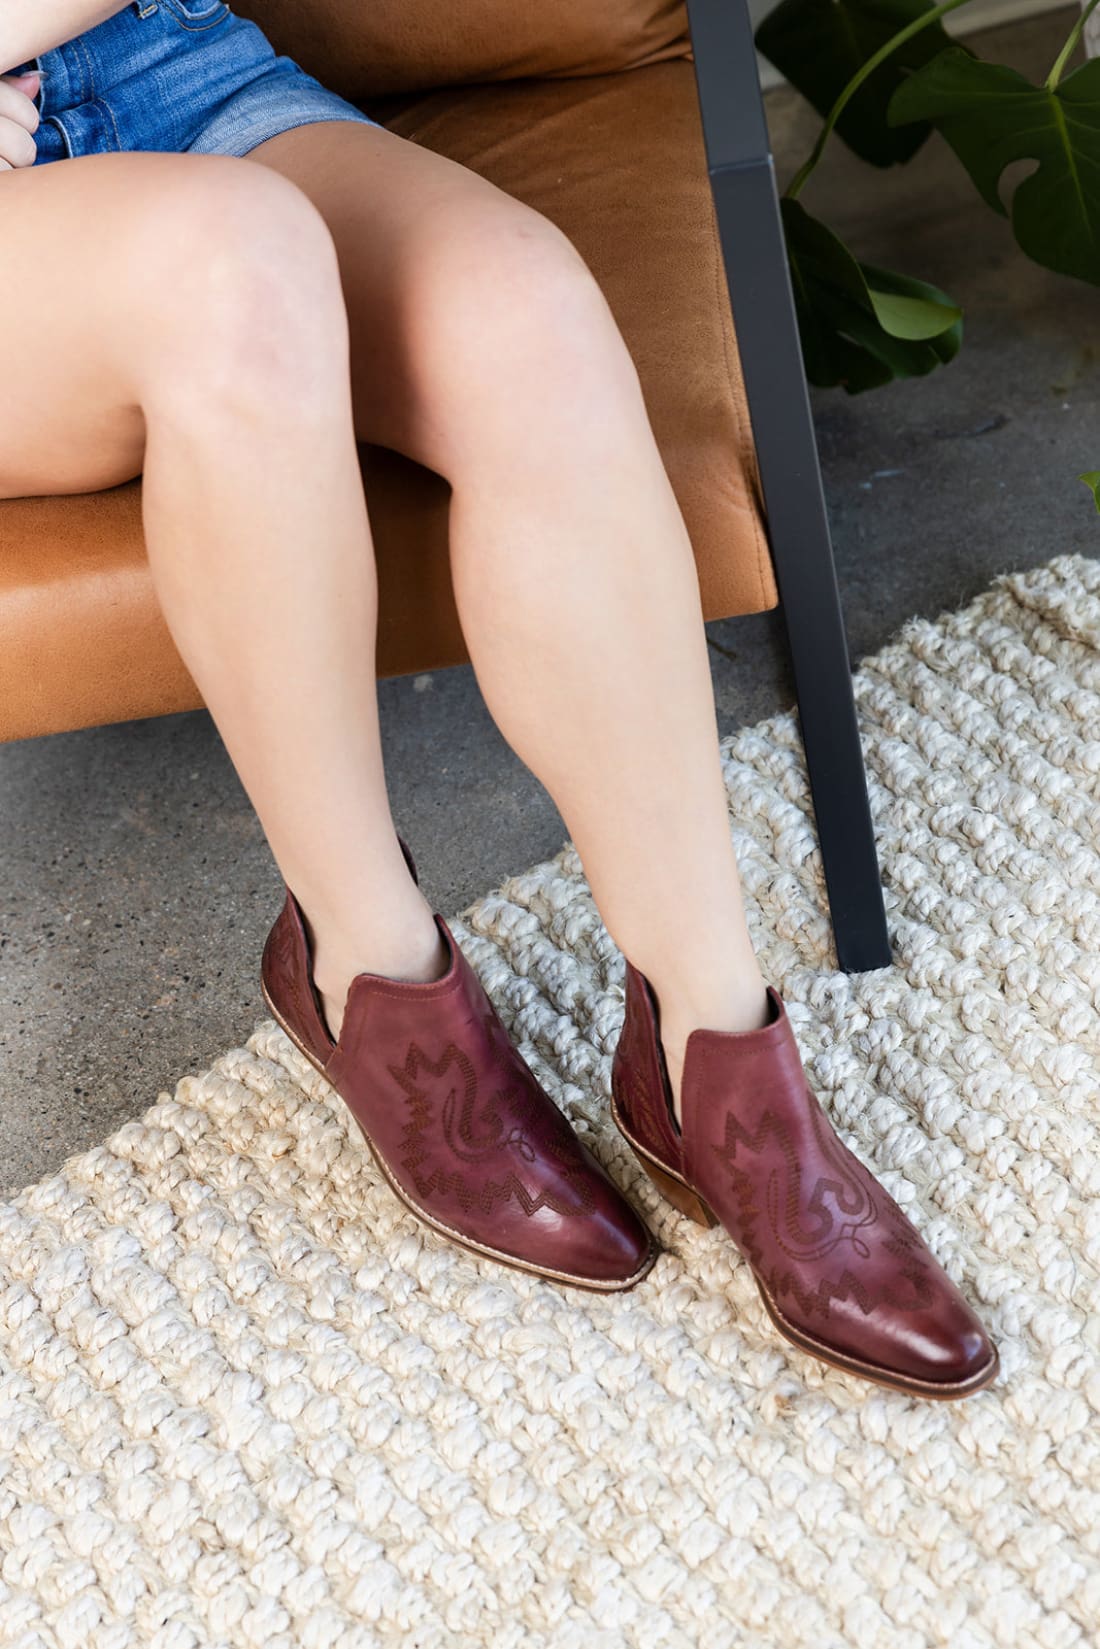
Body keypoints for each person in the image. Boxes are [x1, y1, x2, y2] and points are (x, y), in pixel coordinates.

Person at [0, 0, 998, 1399]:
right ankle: (368, 971)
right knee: (231, 263)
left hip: (163, 65)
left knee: (524, 308)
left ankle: (712, 1057)